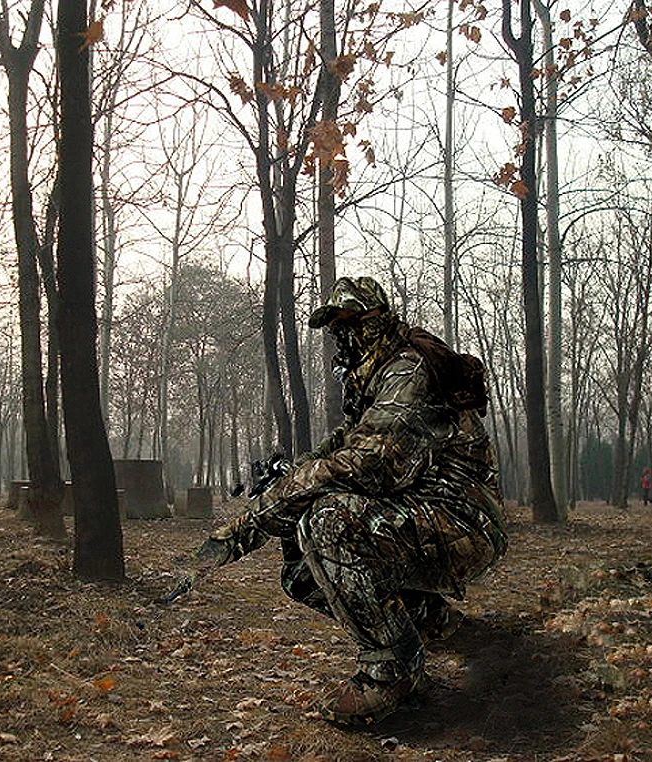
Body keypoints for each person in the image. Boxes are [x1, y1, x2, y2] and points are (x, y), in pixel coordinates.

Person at [205, 276, 507, 726]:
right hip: (430, 513)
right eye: (335, 329)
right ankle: (430, 620)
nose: (341, 339)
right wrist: (288, 484)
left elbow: (372, 460)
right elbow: (342, 444)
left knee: (327, 522)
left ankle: (391, 669)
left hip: (462, 521)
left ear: (376, 323)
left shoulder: (406, 371)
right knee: (302, 573)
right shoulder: (376, 376)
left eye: (350, 325)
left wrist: (262, 516)